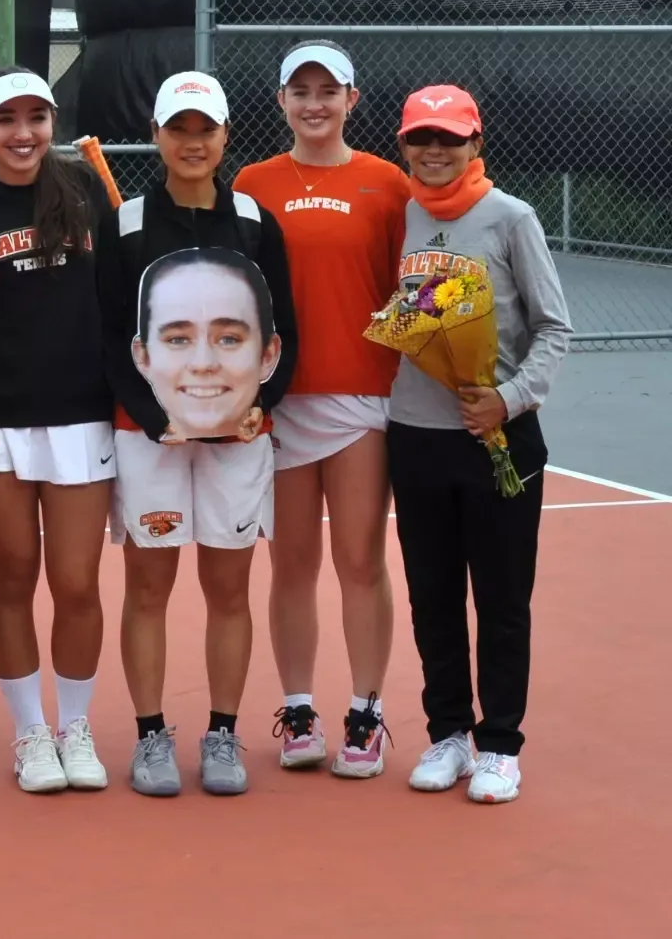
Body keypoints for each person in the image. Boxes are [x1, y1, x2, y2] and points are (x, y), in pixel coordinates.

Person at [96, 71, 297, 797]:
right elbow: (111, 338)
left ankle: (222, 733)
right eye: (178, 128)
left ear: (224, 137)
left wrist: (258, 404)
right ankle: (151, 736)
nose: (191, 142)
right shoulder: (120, 226)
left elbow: (285, 331)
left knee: (229, 587)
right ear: (157, 136)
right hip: (147, 435)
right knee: (148, 586)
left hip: (239, 439)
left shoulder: (253, 222)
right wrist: (156, 418)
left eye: (203, 129)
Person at [0, 68, 120, 793]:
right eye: (4, 119)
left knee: (75, 583)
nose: (22, 132)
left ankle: (74, 726)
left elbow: (121, 292)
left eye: (35, 117)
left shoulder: (86, 193)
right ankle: (29, 733)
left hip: (81, 412)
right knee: (11, 575)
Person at [386, 85, 570, 804]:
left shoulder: (511, 218)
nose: (434, 152)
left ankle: (499, 745)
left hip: (501, 437)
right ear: (403, 145)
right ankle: (448, 735)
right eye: (421, 138)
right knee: (431, 594)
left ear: (475, 144)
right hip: (416, 436)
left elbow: (554, 327)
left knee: (500, 597)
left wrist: (509, 398)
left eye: (449, 139)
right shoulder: (395, 214)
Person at [233, 41, 410, 777]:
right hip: (278, 402)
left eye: (327, 91)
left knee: (361, 560)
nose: (314, 103)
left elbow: (416, 286)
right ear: (281, 102)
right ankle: (298, 710)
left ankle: (366, 715)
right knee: (291, 565)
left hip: (363, 398)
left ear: (351, 100)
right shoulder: (251, 182)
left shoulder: (388, 183)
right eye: (299, 91)